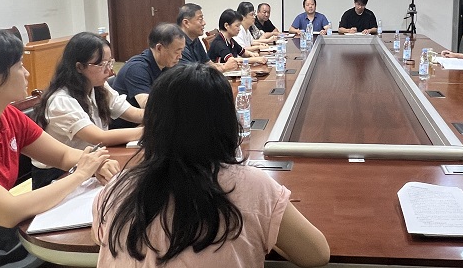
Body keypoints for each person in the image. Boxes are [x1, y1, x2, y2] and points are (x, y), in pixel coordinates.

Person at [92, 63, 330, 267]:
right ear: (226, 122)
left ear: (153, 124)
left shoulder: (114, 190)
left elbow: (100, 238)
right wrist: (268, 231)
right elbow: (317, 255)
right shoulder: (253, 186)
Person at [0, 29, 117, 268]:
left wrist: (97, 162)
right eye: (20, 66)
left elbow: (63, 155)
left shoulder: (7, 116)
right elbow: (8, 211)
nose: (27, 72)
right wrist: (81, 173)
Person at [30, 32, 144, 189]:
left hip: (89, 163)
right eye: (102, 64)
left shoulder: (99, 87)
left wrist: (164, 116)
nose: (110, 71)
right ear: (79, 67)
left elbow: (134, 113)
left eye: (110, 62)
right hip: (57, 174)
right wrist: (148, 131)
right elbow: (99, 137)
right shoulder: (60, 100)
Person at [110, 24, 185, 129]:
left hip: (150, 122)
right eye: (177, 51)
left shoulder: (167, 65)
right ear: (159, 48)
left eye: (182, 51)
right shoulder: (136, 68)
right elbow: (149, 105)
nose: (180, 56)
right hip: (128, 130)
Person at [177, 3, 237, 72]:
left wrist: (222, 65)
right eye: (200, 19)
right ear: (186, 23)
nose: (204, 23)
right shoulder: (179, 43)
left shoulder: (195, 39)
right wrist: (224, 68)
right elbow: (192, 75)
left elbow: (207, 63)